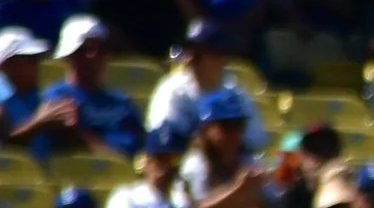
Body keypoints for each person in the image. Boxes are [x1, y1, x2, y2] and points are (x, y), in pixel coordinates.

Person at [30, 15, 143, 158]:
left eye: (102, 48)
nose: (94, 55)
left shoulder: (121, 103)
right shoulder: (54, 98)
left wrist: (81, 134)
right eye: (85, 49)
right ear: (69, 55)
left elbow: (129, 152)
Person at [149, 20, 268, 153]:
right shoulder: (171, 90)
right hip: (187, 166)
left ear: (220, 58)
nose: (190, 60)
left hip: (232, 165)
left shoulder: (236, 93)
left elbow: (256, 140)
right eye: (188, 53)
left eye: (198, 55)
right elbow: (163, 141)